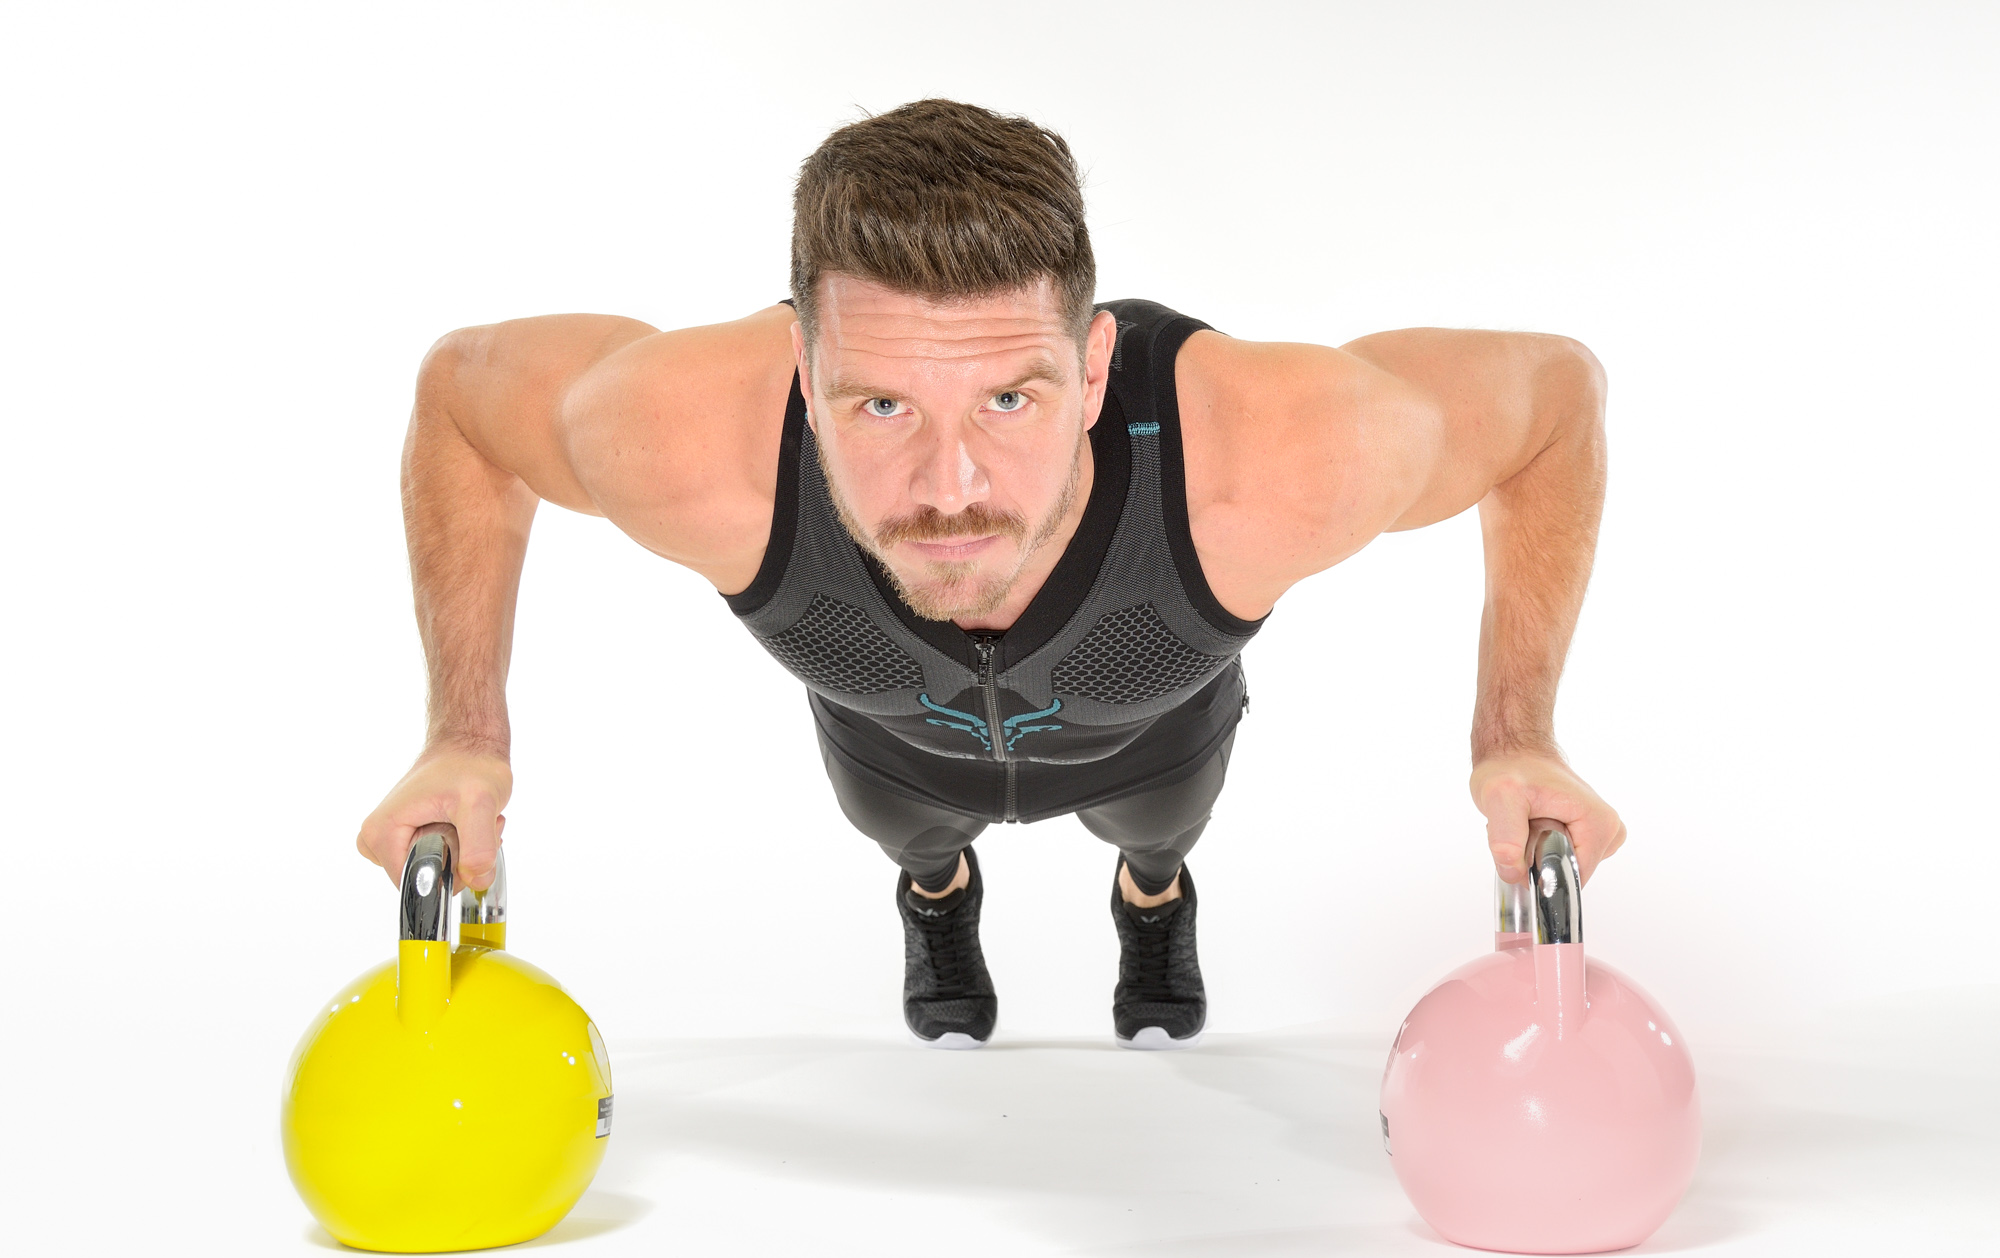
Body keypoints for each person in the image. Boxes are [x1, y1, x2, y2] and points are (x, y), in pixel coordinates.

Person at [356, 99, 1626, 1050]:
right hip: (888, 744)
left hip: (1152, 736)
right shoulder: (688, 437)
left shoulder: (1276, 455)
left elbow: (1550, 404)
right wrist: (463, 735)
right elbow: (464, 404)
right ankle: (936, 896)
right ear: (804, 375)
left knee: (1156, 830)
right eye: (881, 404)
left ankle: (1151, 900)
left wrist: (1515, 733)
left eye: (1009, 398)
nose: (948, 482)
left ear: (1093, 369)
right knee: (909, 836)